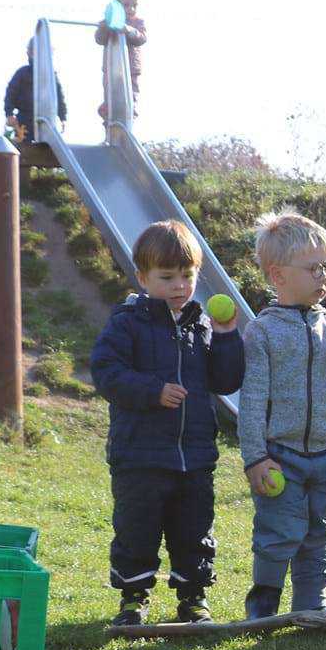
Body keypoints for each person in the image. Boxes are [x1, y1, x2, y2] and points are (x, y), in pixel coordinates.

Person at [90, 221, 245, 626]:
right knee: (136, 529)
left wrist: (228, 337)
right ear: (143, 278)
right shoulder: (128, 322)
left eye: (187, 276)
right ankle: (133, 598)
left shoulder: (200, 325)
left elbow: (226, 381)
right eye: (167, 277)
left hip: (194, 457)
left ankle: (193, 599)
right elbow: (106, 372)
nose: (179, 285)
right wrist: (153, 390)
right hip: (139, 455)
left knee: (194, 531)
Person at [237, 211, 326, 620]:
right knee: (278, 533)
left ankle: (312, 603)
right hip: (280, 456)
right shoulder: (262, 331)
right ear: (278, 275)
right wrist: (256, 457)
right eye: (313, 268)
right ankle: (264, 607)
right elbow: (253, 399)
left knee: (319, 532)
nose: (323, 276)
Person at [93, 0, 147, 111]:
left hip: (131, 67)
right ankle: (107, 111)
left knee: (130, 94)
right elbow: (99, 39)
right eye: (126, 5)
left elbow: (142, 38)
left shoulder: (138, 22)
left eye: (134, 5)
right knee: (110, 92)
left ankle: (130, 112)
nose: (131, 9)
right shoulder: (108, 22)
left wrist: (129, 30)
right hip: (111, 68)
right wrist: (105, 27)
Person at [3, 38, 66, 141]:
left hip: (47, 121)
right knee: (24, 146)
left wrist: (63, 117)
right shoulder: (22, 73)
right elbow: (10, 94)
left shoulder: (51, 76)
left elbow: (59, 97)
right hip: (24, 120)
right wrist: (9, 113)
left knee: (47, 148)